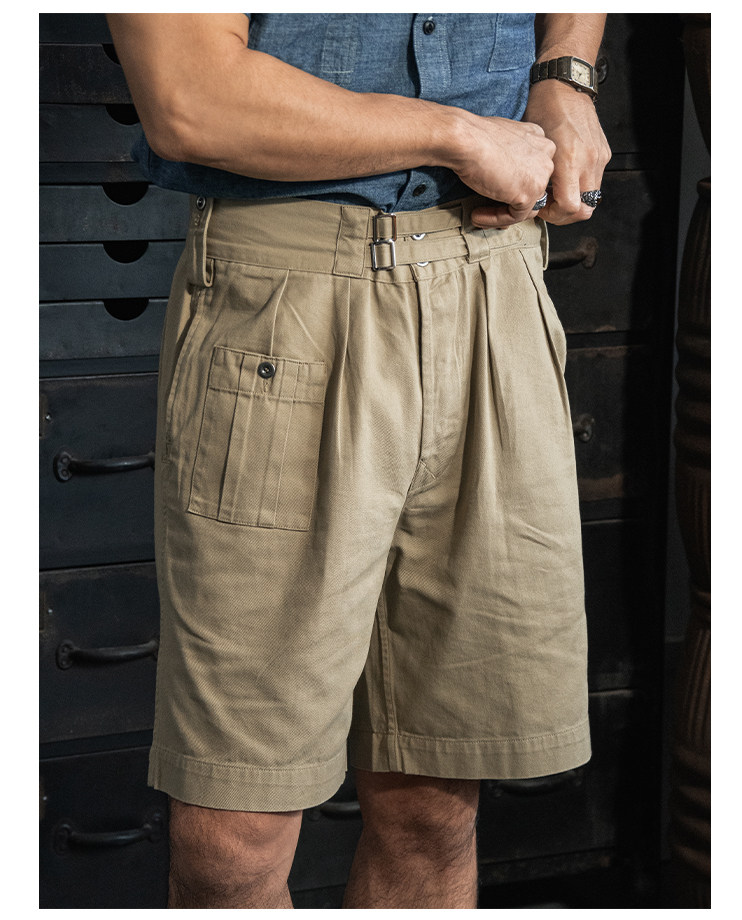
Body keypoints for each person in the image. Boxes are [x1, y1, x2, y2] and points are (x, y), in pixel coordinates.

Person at [106, 12, 611, 909]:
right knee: (235, 840)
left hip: (490, 277)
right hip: (289, 296)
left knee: (436, 805)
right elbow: (189, 101)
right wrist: (457, 134)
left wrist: (566, 70)